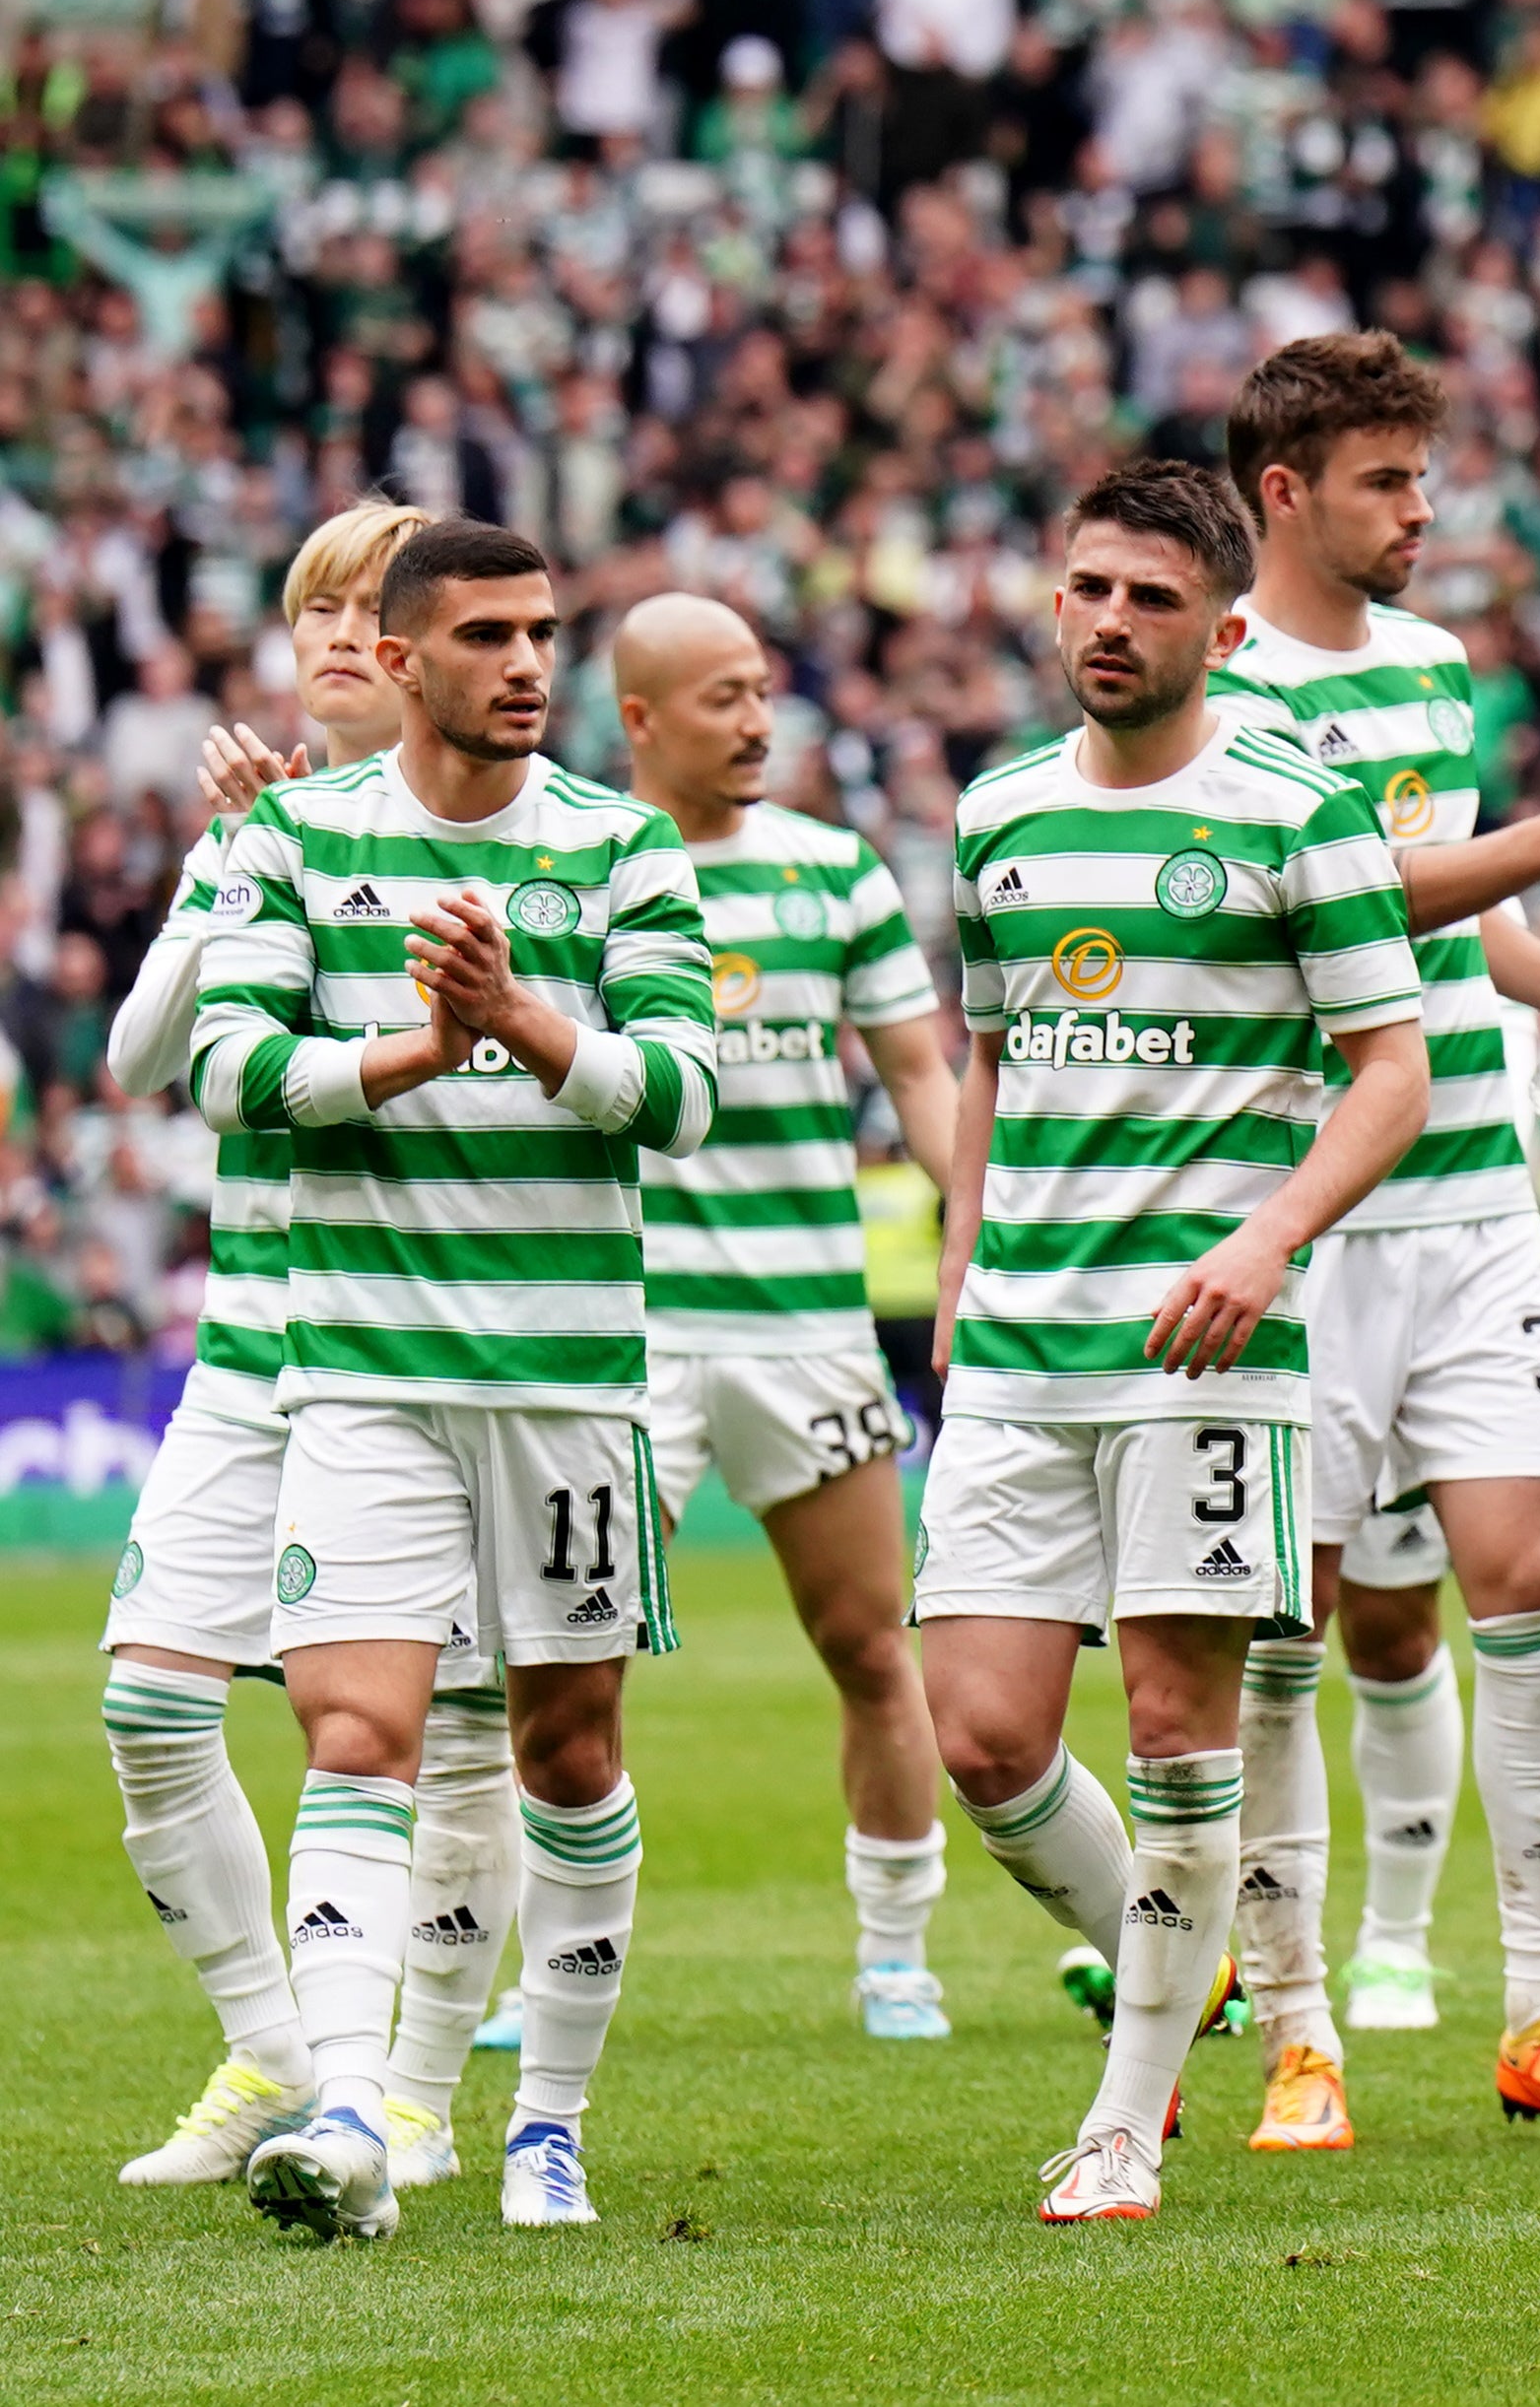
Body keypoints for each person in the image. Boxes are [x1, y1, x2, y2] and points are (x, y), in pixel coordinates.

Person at [1208, 333, 1540, 2147]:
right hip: (1305, 1211)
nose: (1423, 513)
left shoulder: (1430, 672)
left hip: (1471, 1194)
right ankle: (1296, 2026)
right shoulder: (1223, 684)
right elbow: (1334, 896)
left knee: (1523, 1575)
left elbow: (1443, 914)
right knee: (1292, 1623)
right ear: (1286, 494)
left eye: (1424, 479)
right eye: (1386, 484)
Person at [917, 459, 1429, 2227]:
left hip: (1206, 1352)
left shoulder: (1304, 813)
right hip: (1018, 1343)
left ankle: (1126, 2116)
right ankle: (1185, 1946)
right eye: (1087, 590)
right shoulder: (995, 815)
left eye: (1149, 600)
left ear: (1221, 627)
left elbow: (1394, 1074)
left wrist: (1267, 1236)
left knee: (1173, 1721)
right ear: (1053, 602)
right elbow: (990, 1058)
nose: (1110, 623)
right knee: (981, 1736)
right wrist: (959, 1253)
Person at [200, 520, 723, 2240]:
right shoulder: (295, 837)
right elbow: (230, 1071)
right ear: (401, 660)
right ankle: (353, 2112)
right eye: (488, 635)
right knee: (357, 1732)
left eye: (544, 634)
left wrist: (523, 1022)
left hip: (568, 1384)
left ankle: (545, 2126)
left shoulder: (625, 849)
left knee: (568, 1757)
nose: (526, 664)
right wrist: (426, 1044)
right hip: (358, 1369)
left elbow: (683, 1095)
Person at [95, 498, 522, 2195]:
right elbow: (139, 1059)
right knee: (146, 1700)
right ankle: (278, 2053)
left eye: (366, 607)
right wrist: (233, 874)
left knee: (462, 1730)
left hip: (435, 1337)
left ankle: (412, 2091)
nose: (337, 634)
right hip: (257, 1335)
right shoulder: (253, 835)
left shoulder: (493, 824)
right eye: (313, 610)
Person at [612, 593, 975, 2039]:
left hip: (807, 1325)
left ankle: (896, 1955)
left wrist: (986, 1230)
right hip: (623, 1340)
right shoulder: (576, 866)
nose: (759, 721)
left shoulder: (836, 873)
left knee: (872, 1645)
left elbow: (925, 1081)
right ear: (640, 719)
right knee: (560, 1656)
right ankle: (538, 1963)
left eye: (764, 692)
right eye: (722, 698)